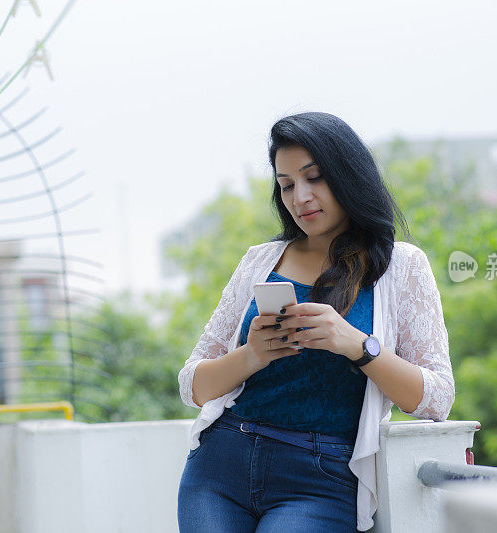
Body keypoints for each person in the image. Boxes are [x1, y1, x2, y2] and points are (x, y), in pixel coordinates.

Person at [177, 112, 455, 532]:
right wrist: (252, 355)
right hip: (220, 466)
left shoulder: (401, 266)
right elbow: (193, 385)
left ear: (348, 176)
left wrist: (357, 345)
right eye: (286, 185)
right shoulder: (259, 262)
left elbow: (437, 398)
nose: (300, 197)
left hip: (318, 478)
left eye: (315, 178)